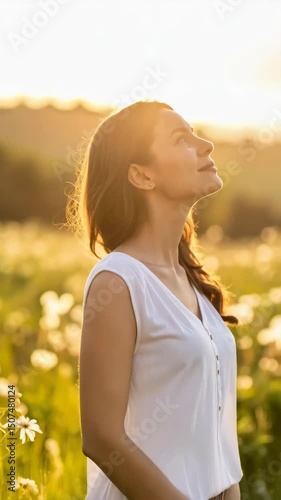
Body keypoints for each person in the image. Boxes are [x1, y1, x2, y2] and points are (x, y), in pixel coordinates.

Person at [66, 100, 243, 499]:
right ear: (142, 175)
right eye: (182, 138)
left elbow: (217, 441)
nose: (207, 146)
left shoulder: (191, 280)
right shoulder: (118, 281)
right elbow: (101, 437)